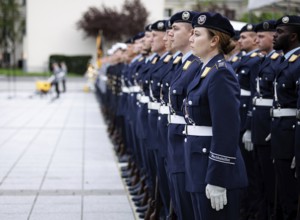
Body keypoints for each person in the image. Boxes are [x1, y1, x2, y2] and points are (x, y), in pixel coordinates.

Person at [184, 12, 247, 219]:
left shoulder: (221, 73)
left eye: (197, 34)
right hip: (198, 164)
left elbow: (226, 130)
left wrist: (218, 178)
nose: (191, 39)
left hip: (213, 169)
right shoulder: (205, 70)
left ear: (214, 40)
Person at [167, 10, 201, 220]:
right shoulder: (184, 64)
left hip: (185, 140)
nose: (169, 34)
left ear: (191, 34)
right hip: (175, 136)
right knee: (177, 197)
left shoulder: (197, 66)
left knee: (187, 205)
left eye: (175, 29)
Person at [251, 20, 282, 220]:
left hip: (271, 128)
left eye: (262, 36)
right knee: (259, 179)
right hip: (259, 126)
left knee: (272, 184)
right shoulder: (263, 60)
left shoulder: (279, 61)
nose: (256, 40)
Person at [271, 15, 300, 220]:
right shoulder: (285, 60)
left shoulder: (298, 63)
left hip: (291, 135)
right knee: (281, 191)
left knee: (291, 195)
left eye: (280, 32)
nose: (275, 35)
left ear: (293, 36)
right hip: (281, 131)